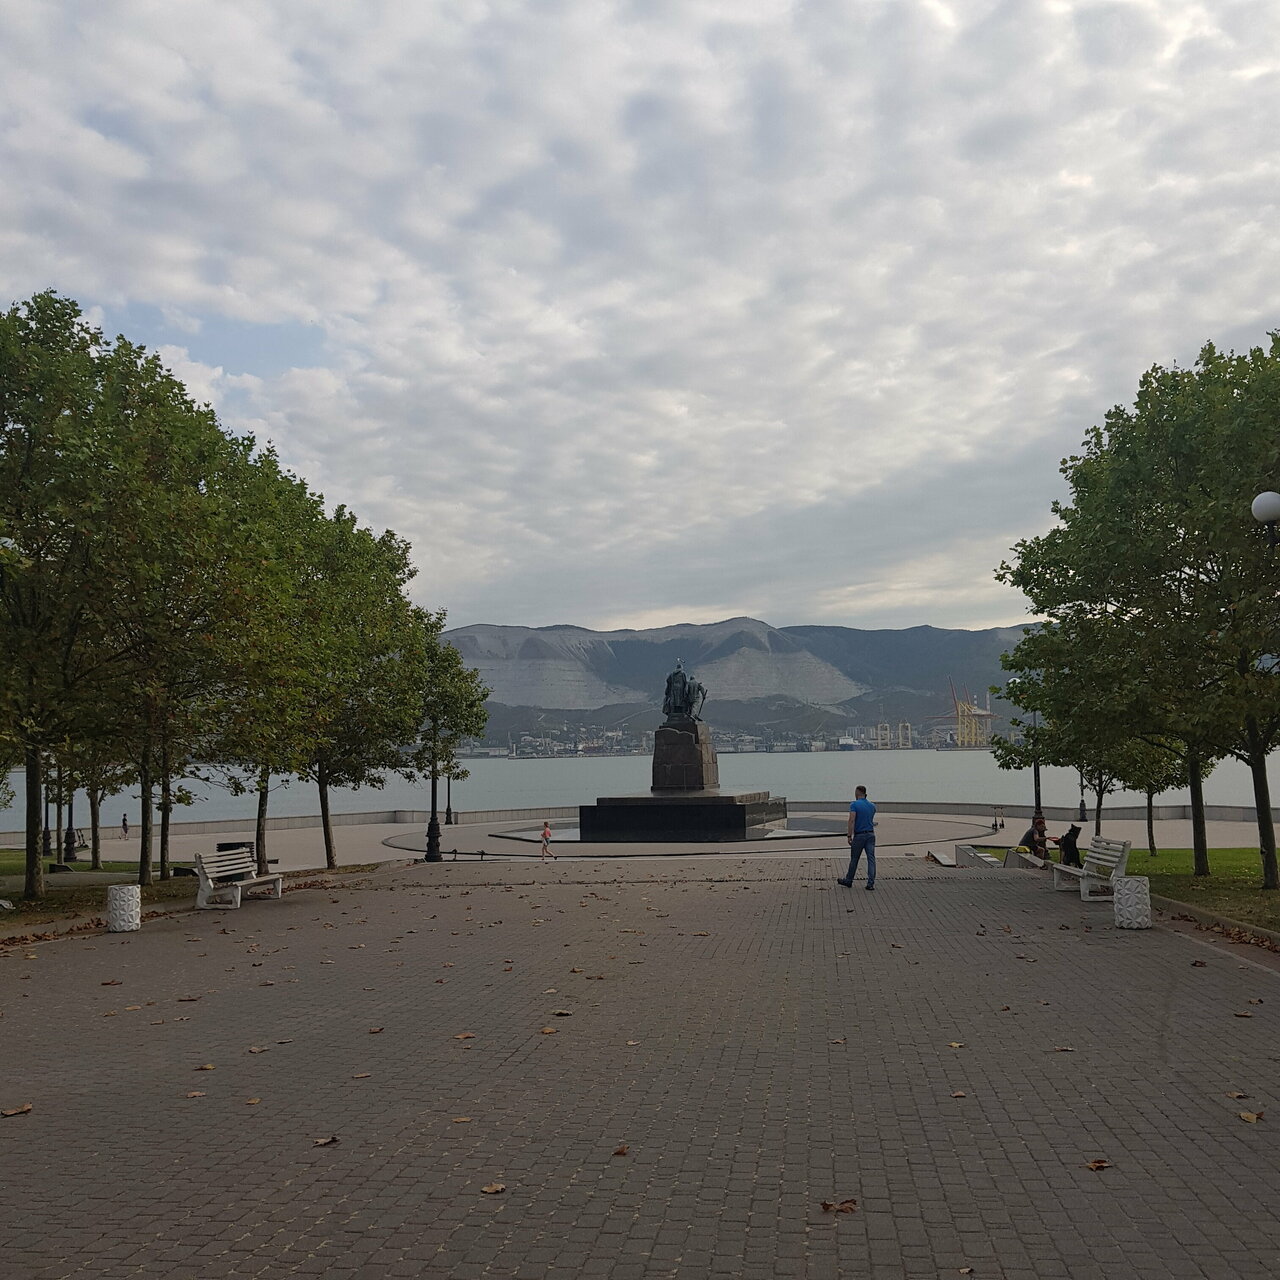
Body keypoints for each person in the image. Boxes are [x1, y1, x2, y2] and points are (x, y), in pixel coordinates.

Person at [838, 785, 876, 890]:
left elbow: (852, 820)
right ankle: (870, 883)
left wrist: (849, 835)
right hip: (870, 834)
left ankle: (849, 880)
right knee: (871, 859)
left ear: (857, 793)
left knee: (854, 859)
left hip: (860, 835)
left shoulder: (854, 804)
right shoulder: (872, 806)